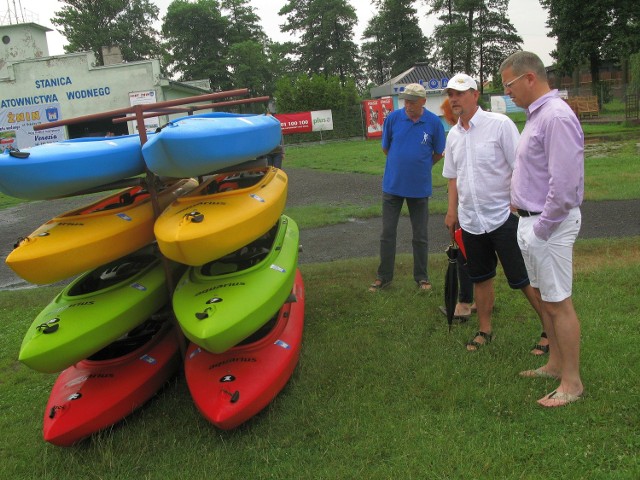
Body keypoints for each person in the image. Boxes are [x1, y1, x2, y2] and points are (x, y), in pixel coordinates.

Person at [499, 51, 584, 407]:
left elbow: (565, 187)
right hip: (531, 221)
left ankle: (572, 382)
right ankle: (554, 364)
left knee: (558, 302)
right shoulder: (537, 116)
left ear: (529, 77)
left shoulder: (556, 117)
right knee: (546, 302)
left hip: (548, 224)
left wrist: (541, 229)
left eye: (509, 85)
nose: (507, 93)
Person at [442, 73, 546, 353]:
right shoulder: (452, 135)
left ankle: (549, 328)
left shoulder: (499, 125)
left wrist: (517, 201)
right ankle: (484, 330)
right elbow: (452, 177)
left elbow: (520, 166)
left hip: (503, 217)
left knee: (523, 279)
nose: (454, 99)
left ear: (475, 95)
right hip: (472, 220)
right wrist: (452, 210)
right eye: (451, 94)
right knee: (481, 277)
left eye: (460, 93)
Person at [368, 83, 446, 293]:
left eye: (412, 101)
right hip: (392, 186)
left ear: (423, 101)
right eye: (406, 101)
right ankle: (384, 277)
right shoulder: (393, 119)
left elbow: (439, 152)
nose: (408, 105)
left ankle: (422, 277)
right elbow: (386, 148)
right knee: (387, 233)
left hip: (419, 188)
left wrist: (423, 165)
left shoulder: (433, 123)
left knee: (420, 235)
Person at [438, 97, 475, 320]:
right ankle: (480, 298)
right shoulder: (456, 135)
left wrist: (453, 210)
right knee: (474, 255)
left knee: (464, 254)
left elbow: (455, 177)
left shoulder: (461, 134)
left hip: (472, 206)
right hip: (468, 205)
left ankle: (463, 303)